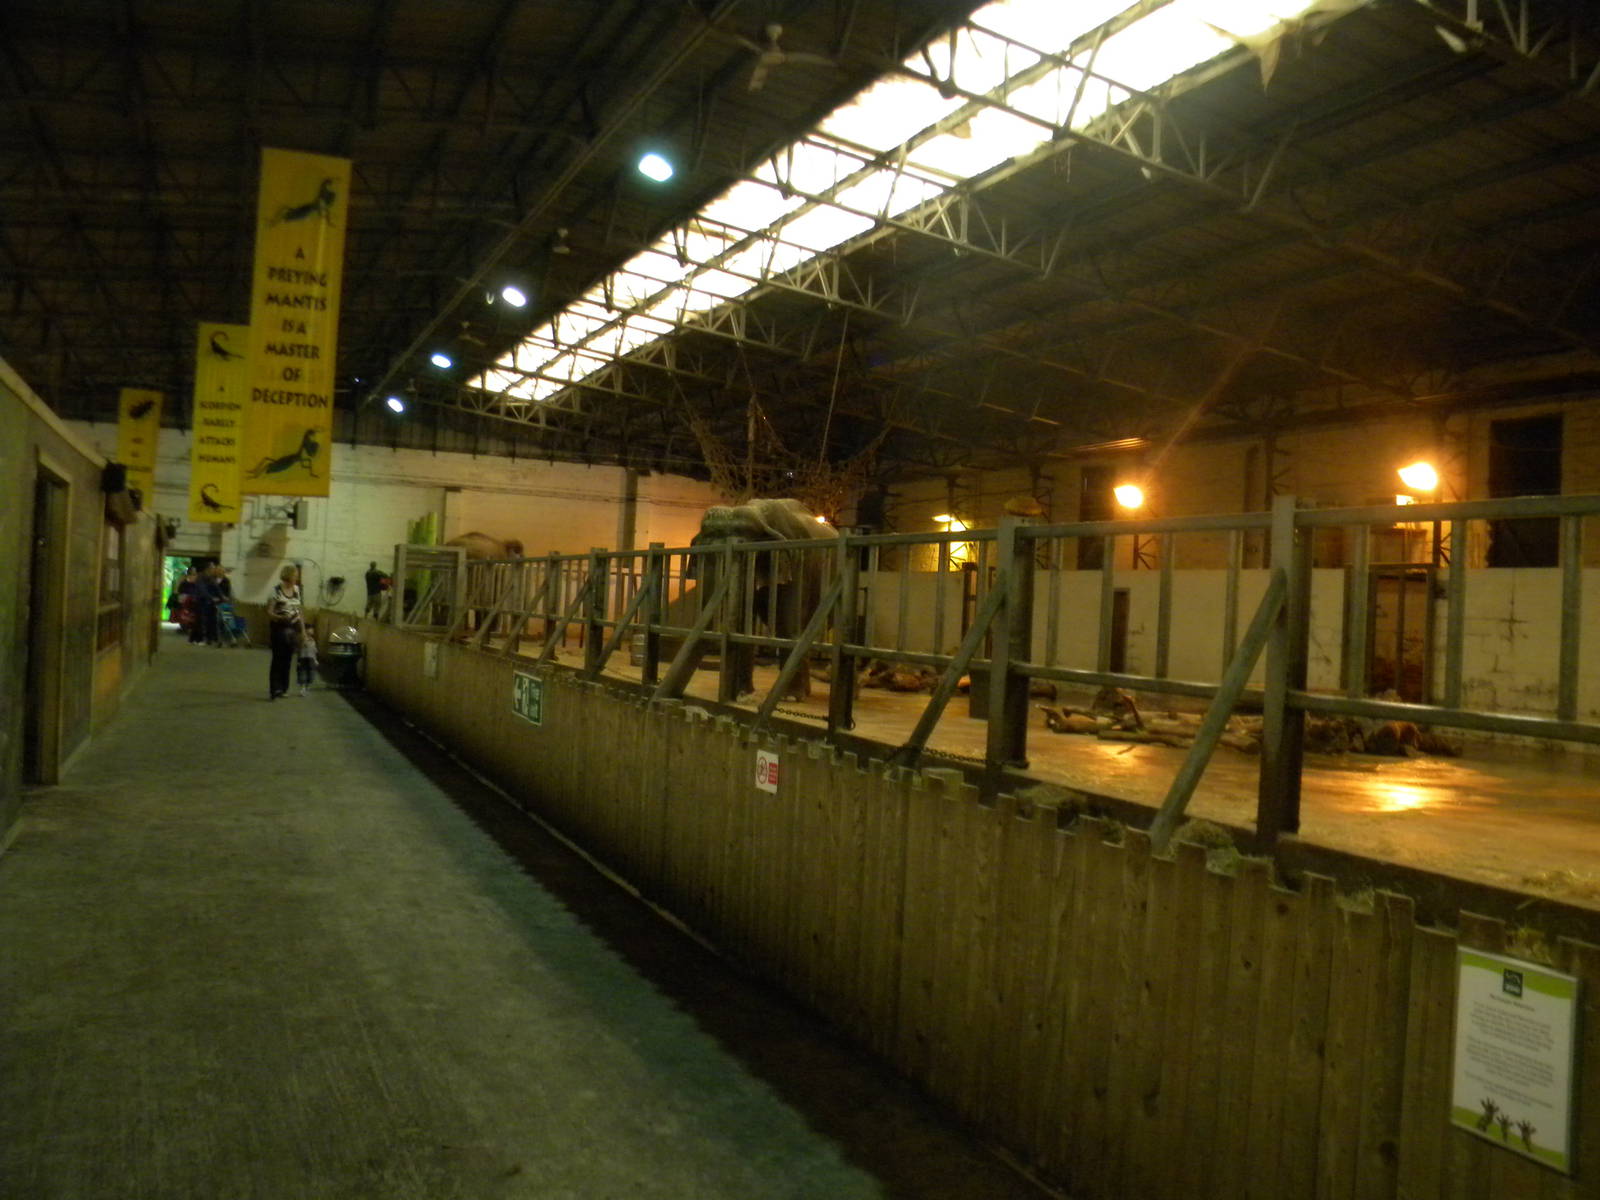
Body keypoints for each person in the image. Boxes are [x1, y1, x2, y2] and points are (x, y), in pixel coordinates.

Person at [266, 564, 303, 700]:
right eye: (295, 576)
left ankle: (283, 687)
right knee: (277, 659)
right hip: (279, 628)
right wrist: (280, 617)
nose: (296, 578)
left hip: (293, 628)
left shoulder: (297, 590)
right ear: (288, 576)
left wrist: (303, 630)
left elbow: (299, 611)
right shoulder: (275, 591)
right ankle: (274, 689)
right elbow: (269, 612)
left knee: (288, 659)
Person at [296, 629, 318, 696]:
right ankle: (302, 689)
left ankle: (307, 687)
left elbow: (314, 651)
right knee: (302, 673)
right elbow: (300, 648)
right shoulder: (303, 639)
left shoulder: (313, 640)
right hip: (303, 658)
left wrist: (315, 659)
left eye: (312, 630)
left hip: (311, 659)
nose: (311, 631)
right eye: (310, 630)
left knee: (311, 673)